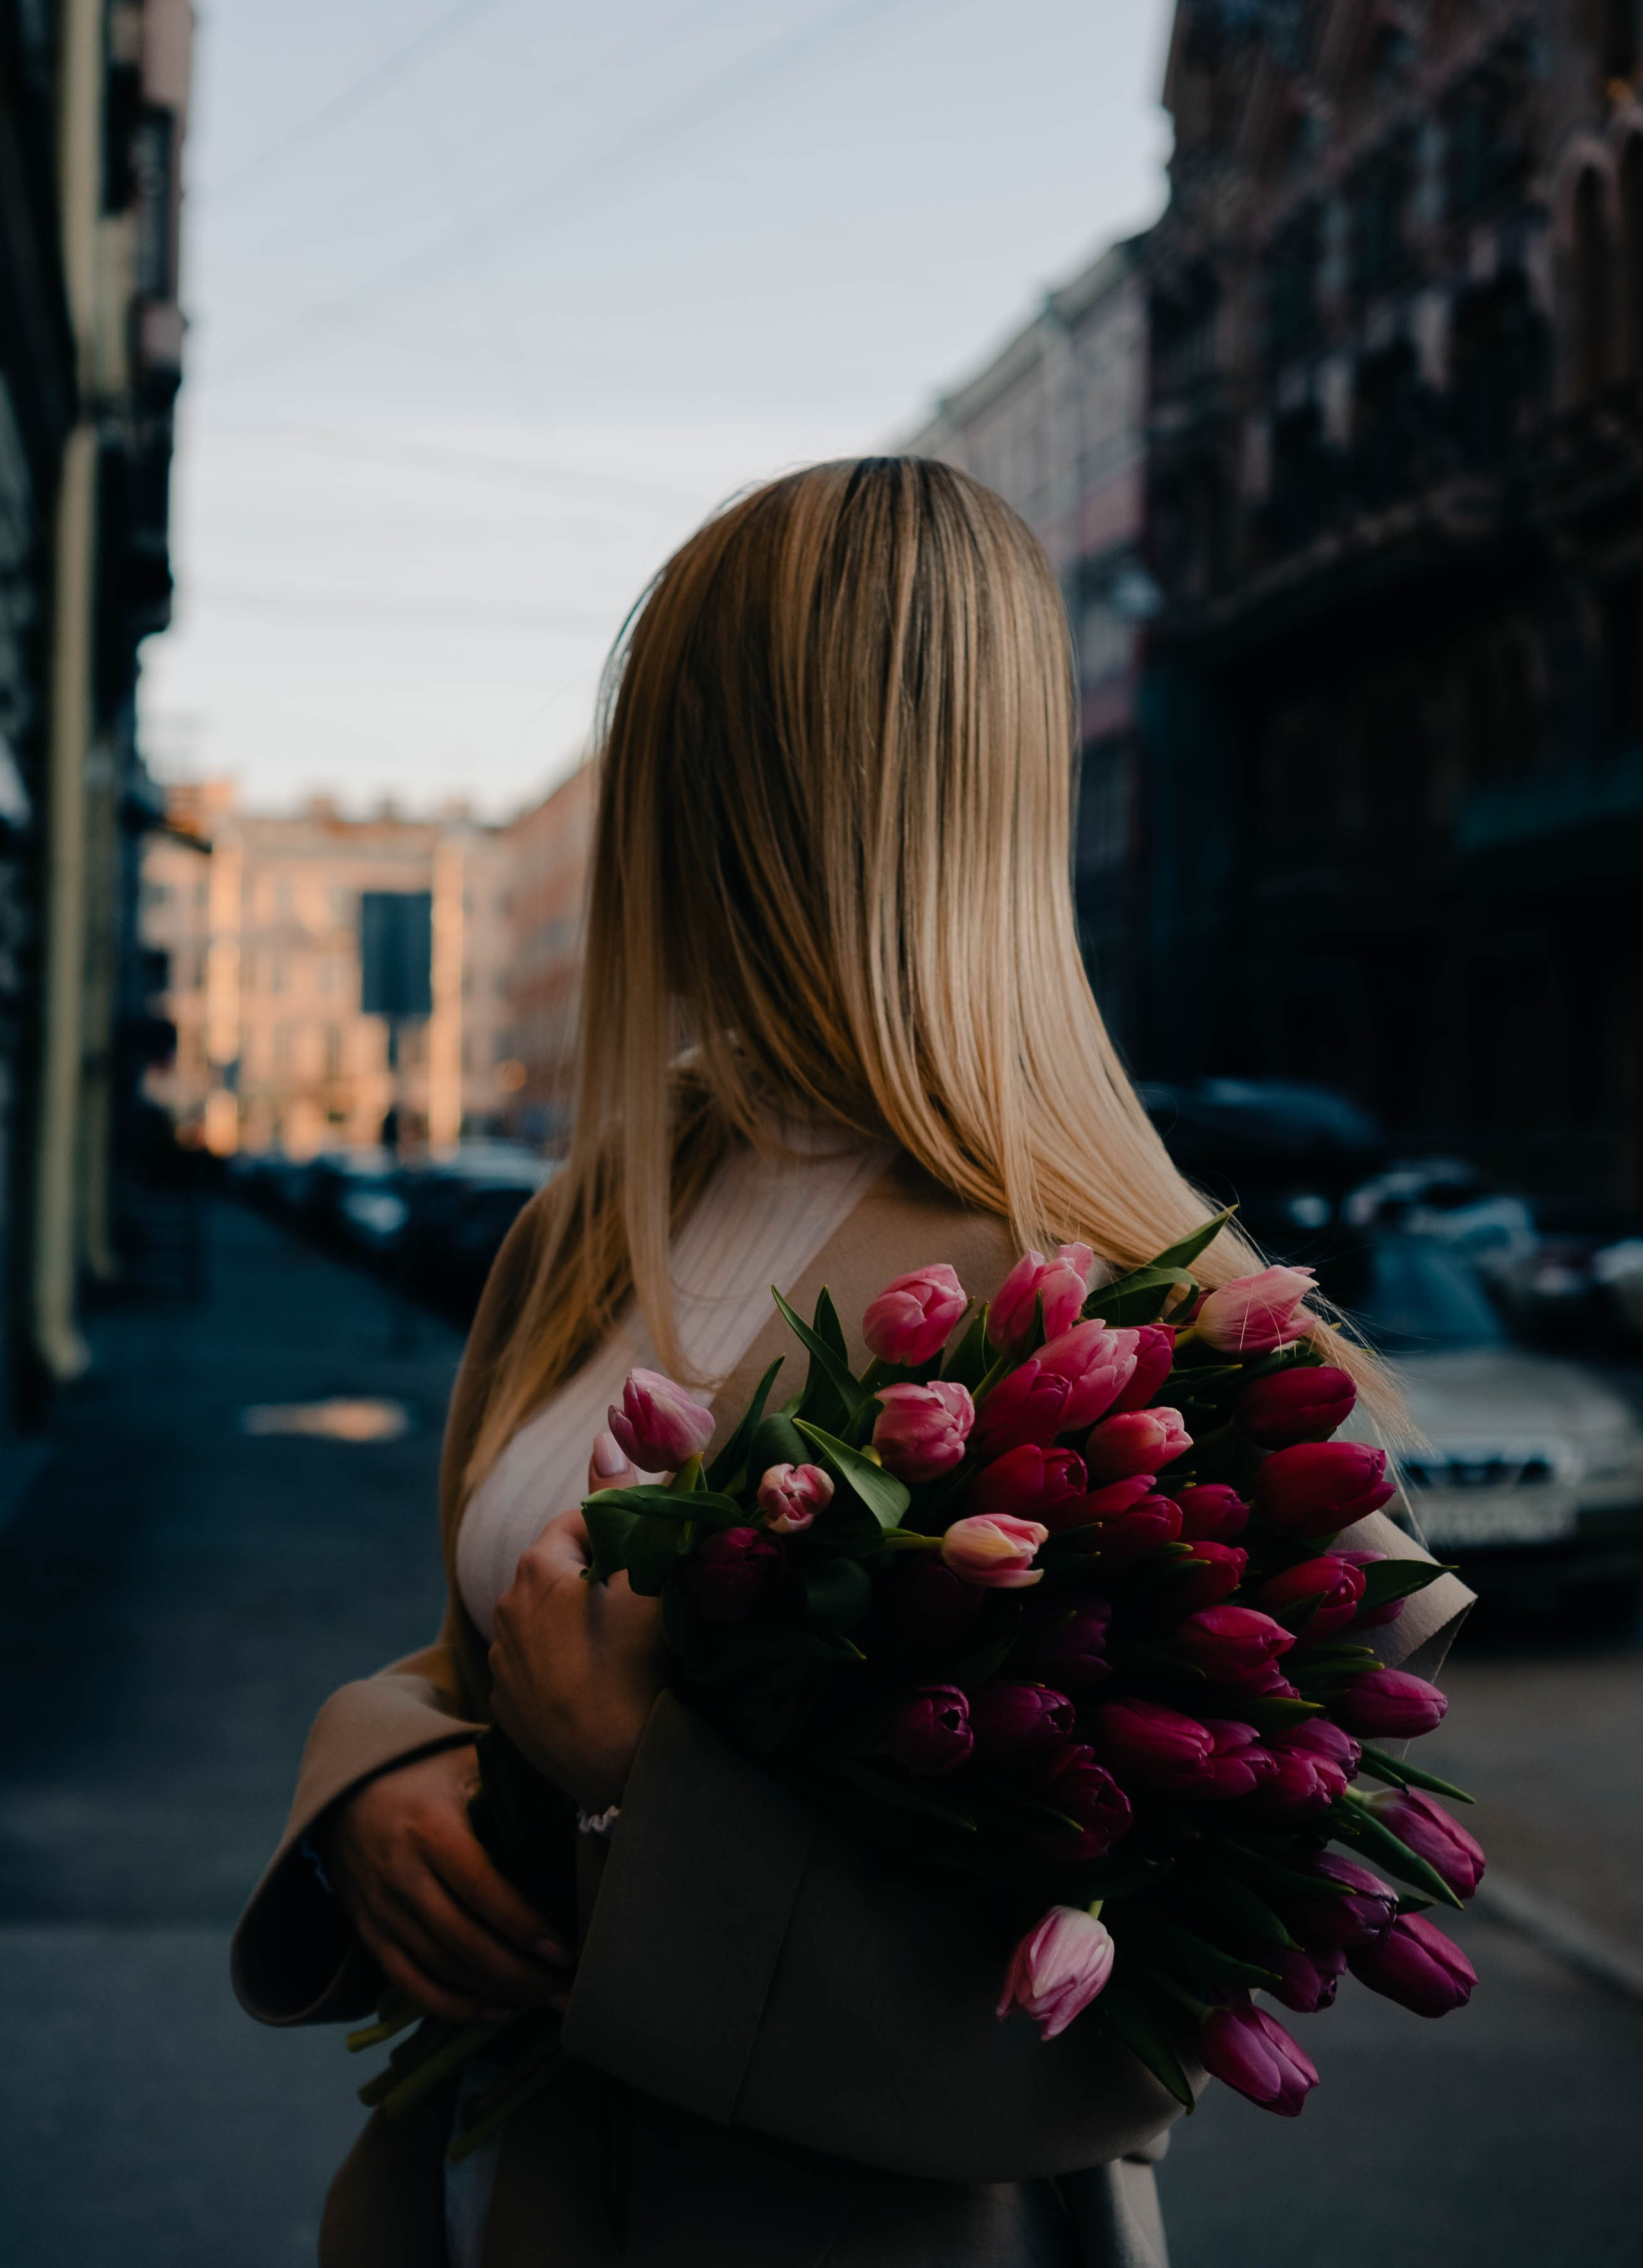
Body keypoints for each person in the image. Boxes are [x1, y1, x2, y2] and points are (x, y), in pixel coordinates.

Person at [232, 457, 1467, 2267]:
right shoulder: (600, 1219)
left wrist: (631, 1786)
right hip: (491, 2198)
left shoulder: (1142, 1313)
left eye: (678, 747)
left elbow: (1129, 2017)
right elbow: (476, 1655)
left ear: (765, 787)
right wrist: (376, 1770)